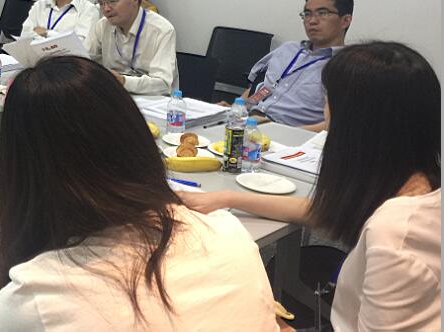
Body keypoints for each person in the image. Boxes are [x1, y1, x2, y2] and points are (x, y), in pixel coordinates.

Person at [0, 56, 279, 331]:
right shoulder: (228, 231)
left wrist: (3, 254)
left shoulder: (39, 294)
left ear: (22, 167)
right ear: (136, 136)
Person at [179, 42, 441, 331]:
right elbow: (326, 211)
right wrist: (228, 198)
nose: (325, 118)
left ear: (356, 124)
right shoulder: (412, 185)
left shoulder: (396, 237)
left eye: (327, 101)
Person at [0, 0, 99, 169]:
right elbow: (26, 36)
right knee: (8, 95)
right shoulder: (40, 6)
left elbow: (81, 44)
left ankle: (37, 161)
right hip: (35, 65)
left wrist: (44, 33)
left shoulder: (88, 10)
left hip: (67, 72)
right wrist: (56, 37)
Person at [243, 0, 354, 131]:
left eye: (322, 13)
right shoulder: (288, 49)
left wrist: (284, 133)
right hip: (250, 122)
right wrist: (236, 109)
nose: (312, 21)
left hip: (287, 135)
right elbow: (262, 89)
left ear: (345, 20)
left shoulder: (347, 66)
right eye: (307, 14)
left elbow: (333, 125)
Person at [84, 0, 178, 95]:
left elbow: (163, 84)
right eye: (101, 3)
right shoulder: (102, 25)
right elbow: (84, 58)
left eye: (112, 1)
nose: (106, 9)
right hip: (115, 95)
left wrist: (123, 81)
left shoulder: (161, 30)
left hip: (153, 99)